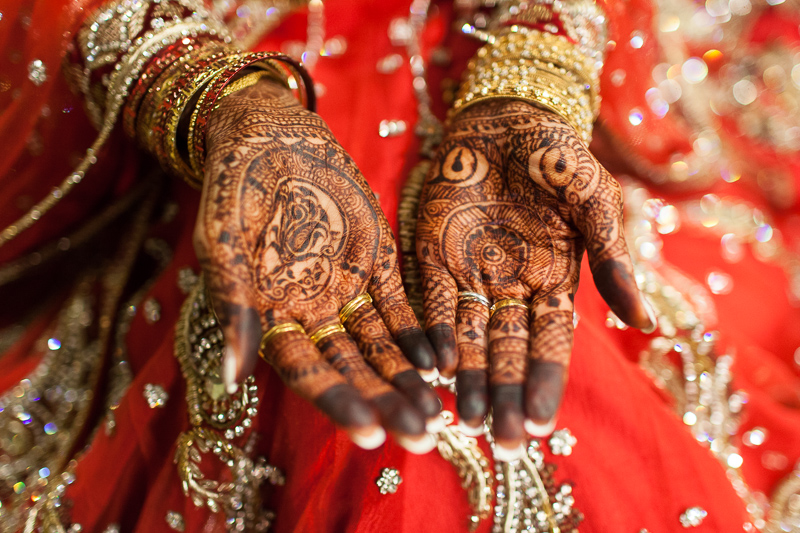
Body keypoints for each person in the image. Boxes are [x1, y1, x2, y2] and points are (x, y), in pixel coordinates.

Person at [0, 0, 798, 531]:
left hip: (505, 25)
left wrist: (533, 74)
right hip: (218, 45)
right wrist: (210, 102)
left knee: (532, 359)